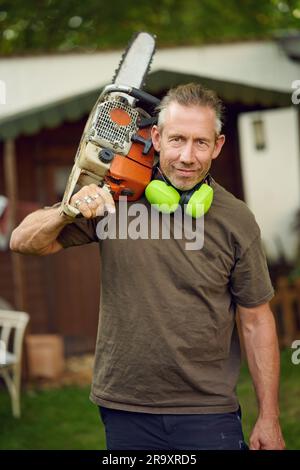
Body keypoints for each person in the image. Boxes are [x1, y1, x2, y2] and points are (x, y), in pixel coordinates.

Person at [10, 83, 285, 451]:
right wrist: (67, 209)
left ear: (218, 145)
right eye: (177, 140)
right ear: (156, 137)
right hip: (125, 407)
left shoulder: (236, 219)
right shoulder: (115, 196)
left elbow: (255, 319)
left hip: (208, 410)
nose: (187, 156)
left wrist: (269, 417)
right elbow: (22, 242)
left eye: (200, 142)